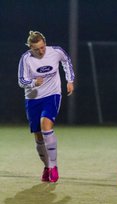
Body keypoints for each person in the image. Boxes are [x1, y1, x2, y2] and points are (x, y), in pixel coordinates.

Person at [18, 31, 75, 183]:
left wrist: (70, 80)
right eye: (37, 49)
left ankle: (54, 167)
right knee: (38, 135)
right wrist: (32, 83)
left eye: (42, 47)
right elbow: (21, 81)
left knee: (46, 125)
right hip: (32, 99)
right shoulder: (26, 58)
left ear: (45, 42)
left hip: (52, 95)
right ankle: (47, 166)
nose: (41, 51)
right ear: (31, 48)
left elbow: (66, 61)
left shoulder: (56, 51)